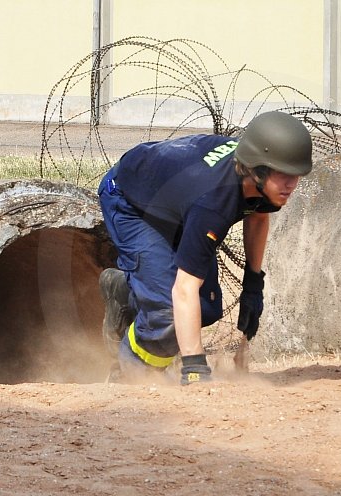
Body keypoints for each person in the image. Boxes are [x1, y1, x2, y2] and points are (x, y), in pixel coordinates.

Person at [97, 111, 312, 384]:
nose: (292, 183)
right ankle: (129, 374)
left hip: (177, 207)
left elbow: (258, 216)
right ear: (258, 169)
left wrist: (252, 283)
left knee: (206, 308)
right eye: (284, 175)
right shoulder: (213, 202)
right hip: (132, 203)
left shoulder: (260, 181)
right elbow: (184, 288)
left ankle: (127, 290)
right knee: (168, 314)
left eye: (296, 174)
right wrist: (195, 368)